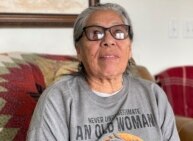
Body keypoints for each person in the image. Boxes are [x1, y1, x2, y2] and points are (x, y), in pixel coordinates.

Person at [27, 3, 180, 141]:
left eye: (119, 32)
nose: (109, 40)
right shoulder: (57, 99)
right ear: (78, 50)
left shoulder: (153, 95)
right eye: (95, 33)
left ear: (130, 48)